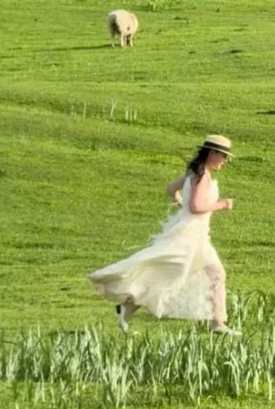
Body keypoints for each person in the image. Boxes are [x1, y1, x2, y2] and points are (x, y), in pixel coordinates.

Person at [89, 134, 237, 334]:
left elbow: (171, 189)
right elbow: (196, 207)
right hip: (190, 235)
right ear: (212, 153)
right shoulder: (201, 175)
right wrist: (222, 204)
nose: (225, 161)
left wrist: (181, 202)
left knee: (208, 273)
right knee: (176, 273)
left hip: (195, 232)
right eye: (223, 156)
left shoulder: (195, 171)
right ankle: (217, 324)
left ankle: (217, 323)